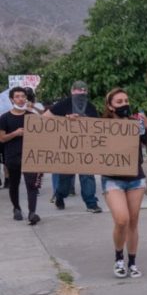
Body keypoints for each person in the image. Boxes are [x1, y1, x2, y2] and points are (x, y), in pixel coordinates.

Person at [101, 88, 147, 278]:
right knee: (122, 219)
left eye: (126, 100)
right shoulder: (102, 125)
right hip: (112, 179)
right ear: (110, 106)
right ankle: (119, 258)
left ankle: (132, 262)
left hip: (135, 179)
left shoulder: (136, 124)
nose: (124, 104)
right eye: (119, 102)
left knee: (133, 222)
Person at [45, 80, 102, 212]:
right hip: (67, 148)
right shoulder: (63, 104)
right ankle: (59, 196)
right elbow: (44, 118)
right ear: (72, 91)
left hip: (85, 148)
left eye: (84, 90)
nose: (81, 92)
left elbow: (98, 127)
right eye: (78, 89)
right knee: (65, 178)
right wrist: (65, 119)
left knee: (87, 176)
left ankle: (91, 203)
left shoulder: (91, 107)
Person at [0, 87, 41, 224]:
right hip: (12, 156)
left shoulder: (32, 116)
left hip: (30, 156)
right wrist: (15, 133)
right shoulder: (4, 118)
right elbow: (2, 138)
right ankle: (16, 208)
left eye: (23, 96)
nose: (20, 99)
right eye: (17, 96)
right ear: (12, 99)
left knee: (32, 185)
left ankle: (32, 212)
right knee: (14, 184)